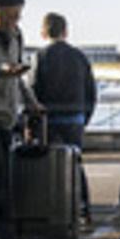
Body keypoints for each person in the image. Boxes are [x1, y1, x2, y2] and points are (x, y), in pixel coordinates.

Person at [0, 0, 42, 239]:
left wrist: (32, 102)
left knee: (3, 185)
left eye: (17, 17)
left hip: (7, 118)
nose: (13, 23)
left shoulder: (16, 35)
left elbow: (18, 76)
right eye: (8, 17)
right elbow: (3, 71)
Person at [29, 12, 97, 224]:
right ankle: (84, 209)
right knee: (75, 163)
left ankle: (50, 211)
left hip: (49, 118)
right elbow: (91, 91)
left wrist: (33, 122)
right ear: (65, 31)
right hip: (74, 117)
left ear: (43, 32)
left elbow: (33, 90)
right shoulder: (79, 56)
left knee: (47, 165)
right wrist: (84, 117)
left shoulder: (39, 57)